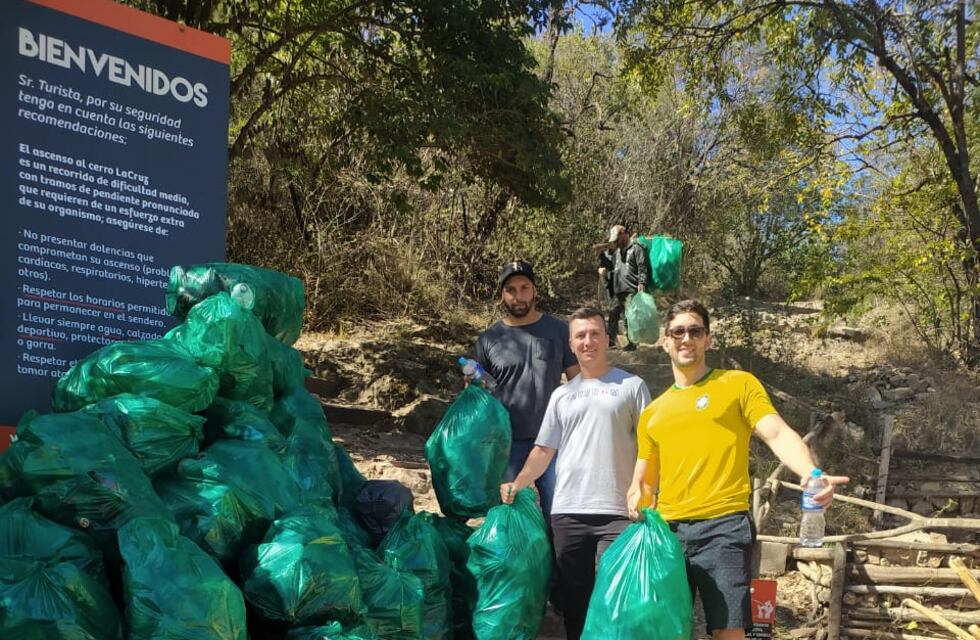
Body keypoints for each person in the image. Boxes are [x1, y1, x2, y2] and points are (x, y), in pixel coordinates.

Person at [627, 299, 849, 640]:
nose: (686, 338)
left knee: (729, 631)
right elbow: (643, 480)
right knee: (662, 631)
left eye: (695, 331)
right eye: (678, 332)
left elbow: (776, 432)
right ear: (666, 342)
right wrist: (634, 499)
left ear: (708, 339)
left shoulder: (736, 384)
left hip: (723, 529)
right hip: (668, 536)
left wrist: (811, 473)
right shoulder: (653, 413)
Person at [501, 307, 651, 640]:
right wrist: (518, 483)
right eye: (581, 335)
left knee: (617, 600)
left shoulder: (632, 386)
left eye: (595, 333)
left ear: (607, 339)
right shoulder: (562, 395)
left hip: (618, 513)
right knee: (575, 601)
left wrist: (647, 493)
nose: (588, 341)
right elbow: (543, 451)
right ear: (571, 344)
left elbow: (650, 448)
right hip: (568, 512)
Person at [474, 260, 579, 519]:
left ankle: (558, 561)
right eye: (511, 289)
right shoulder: (489, 339)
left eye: (524, 288)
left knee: (558, 514)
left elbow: (579, 383)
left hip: (554, 442)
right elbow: (479, 394)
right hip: (507, 445)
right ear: (502, 294)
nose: (518, 296)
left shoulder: (557, 330)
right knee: (512, 516)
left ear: (535, 291)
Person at [606, 225, 648, 351]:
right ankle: (611, 341)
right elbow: (613, 267)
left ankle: (632, 342)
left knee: (629, 317)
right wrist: (605, 271)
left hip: (631, 289)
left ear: (624, 234)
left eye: (617, 240)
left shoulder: (636, 248)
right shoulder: (617, 252)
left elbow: (642, 267)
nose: (616, 243)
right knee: (613, 314)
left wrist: (642, 283)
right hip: (618, 288)